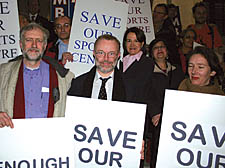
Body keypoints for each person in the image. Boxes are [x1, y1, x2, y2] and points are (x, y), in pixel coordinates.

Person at [0, 23, 74, 128]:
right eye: (29, 40)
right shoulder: (3, 73)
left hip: (48, 140)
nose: (34, 45)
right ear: (21, 44)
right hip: (13, 140)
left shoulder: (62, 77)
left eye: (39, 41)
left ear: (44, 46)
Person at [147, 38, 184, 168]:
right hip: (157, 118)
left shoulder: (178, 71)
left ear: (167, 52)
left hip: (177, 118)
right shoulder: (147, 71)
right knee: (158, 151)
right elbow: (146, 93)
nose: (159, 50)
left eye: (162, 47)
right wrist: (155, 112)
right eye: (155, 48)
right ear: (151, 53)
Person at [120, 27, 154, 168]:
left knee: (135, 154)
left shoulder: (147, 63)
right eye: (128, 40)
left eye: (136, 41)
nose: (132, 44)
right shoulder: (120, 61)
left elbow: (140, 88)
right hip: (120, 113)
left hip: (136, 114)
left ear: (142, 43)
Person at [68, 34, 126, 102]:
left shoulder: (129, 86)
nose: (106, 59)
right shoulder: (77, 84)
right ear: (94, 53)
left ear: (118, 55)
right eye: (101, 53)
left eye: (111, 54)